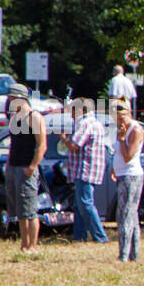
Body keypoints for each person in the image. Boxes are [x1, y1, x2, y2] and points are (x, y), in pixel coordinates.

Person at [60, 96, 109, 243]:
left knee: (85, 204)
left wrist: (63, 138)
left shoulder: (85, 124)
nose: (71, 114)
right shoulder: (95, 123)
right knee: (79, 204)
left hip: (85, 170)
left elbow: (74, 146)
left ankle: (100, 237)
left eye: (73, 110)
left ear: (80, 110)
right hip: (89, 169)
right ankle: (79, 236)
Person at [4, 84, 46, 253]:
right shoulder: (14, 118)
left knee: (30, 209)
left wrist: (32, 166)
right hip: (13, 167)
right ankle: (24, 244)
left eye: (13, 99)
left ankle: (33, 246)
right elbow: (13, 144)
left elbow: (41, 145)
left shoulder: (34, 117)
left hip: (26, 167)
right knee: (20, 210)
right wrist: (8, 164)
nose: (10, 102)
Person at [109, 98, 144, 262]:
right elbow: (117, 153)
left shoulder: (135, 130)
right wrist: (113, 168)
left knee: (125, 214)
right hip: (122, 174)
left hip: (132, 176)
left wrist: (122, 138)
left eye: (120, 117)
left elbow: (128, 156)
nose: (118, 121)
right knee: (131, 215)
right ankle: (133, 255)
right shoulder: (120, 129)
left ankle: (123, 254)